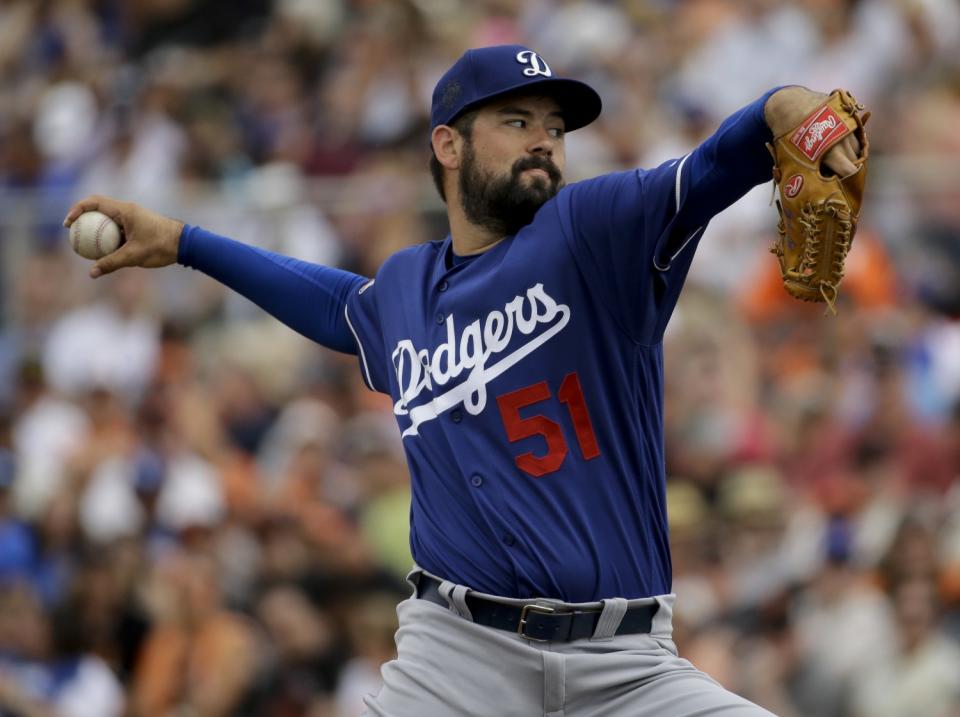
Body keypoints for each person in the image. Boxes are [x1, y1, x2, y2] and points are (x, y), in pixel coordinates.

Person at [64, 44, 865, 716]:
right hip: (454, 664)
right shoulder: (405, 289)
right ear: (447, 145)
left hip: (630, 669)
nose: (545, 140)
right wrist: (185, 240)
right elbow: (336, 304)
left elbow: (714, 165)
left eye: (555, 126)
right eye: (517, 121)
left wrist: (781, 106)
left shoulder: (592, 231)